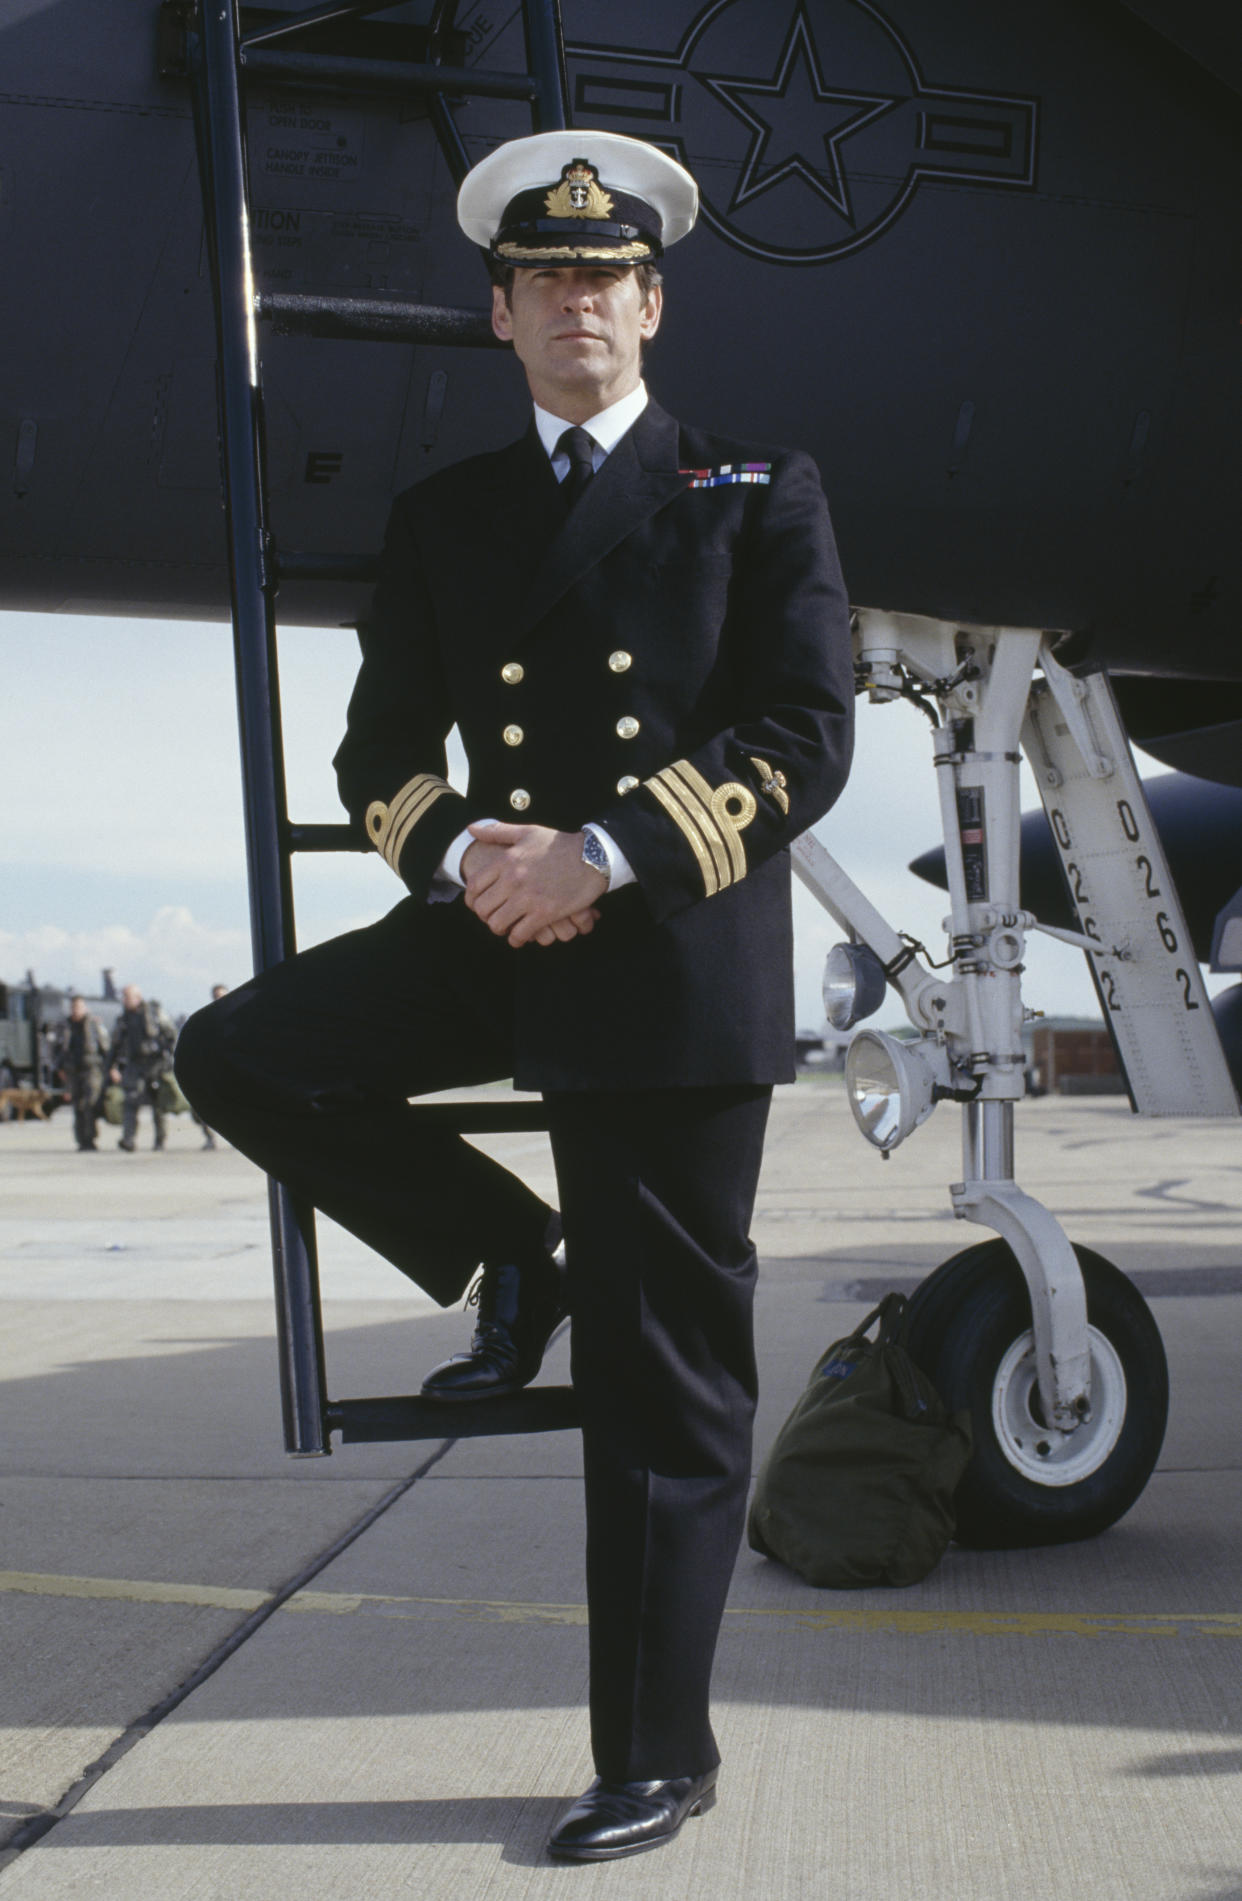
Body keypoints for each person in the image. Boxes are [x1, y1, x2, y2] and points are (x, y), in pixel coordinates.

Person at [176, 129, 853, 1862]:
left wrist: (602, 856)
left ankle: (655, 1753)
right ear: (501, 315)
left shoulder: (755, 487)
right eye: (544, 283)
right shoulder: (446, 517)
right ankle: (503, 1249)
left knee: (661, 1385)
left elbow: (800, 735)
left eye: (606, 281)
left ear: (651, 304)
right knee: (243, 1056)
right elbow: (378, 750)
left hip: (667, 955)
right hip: (499, 920)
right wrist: (470, 851)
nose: (579, 308)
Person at [109, 984, 176, 1152]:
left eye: (127, 997)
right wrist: (112, 1067)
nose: (124, 1000)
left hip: (156, 1065)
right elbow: (115, 1045)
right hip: (135, 1065)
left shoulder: (154, 1014)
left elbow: (171, 1036)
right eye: (123, 997)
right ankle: (128, 1139)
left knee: (158, 1105)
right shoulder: (123, 1019)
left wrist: (165, 1057)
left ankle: (160, 1140)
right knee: (130, 1101)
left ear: (137, 998)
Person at [53, 995, 110, 1151]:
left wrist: (110, 1068)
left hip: (91, 1070)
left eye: (79, 1007)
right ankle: (81, 1140)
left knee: (90, 1104)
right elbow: (58, 1050)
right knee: (77, 1106)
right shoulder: (65, 1026)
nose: (76, 1010)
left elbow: (105, 1048)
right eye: (74, 1007)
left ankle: (90, 1138)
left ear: (85, 1008)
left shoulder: (94, 1025)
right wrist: (59, 1069)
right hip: (72, 1071)